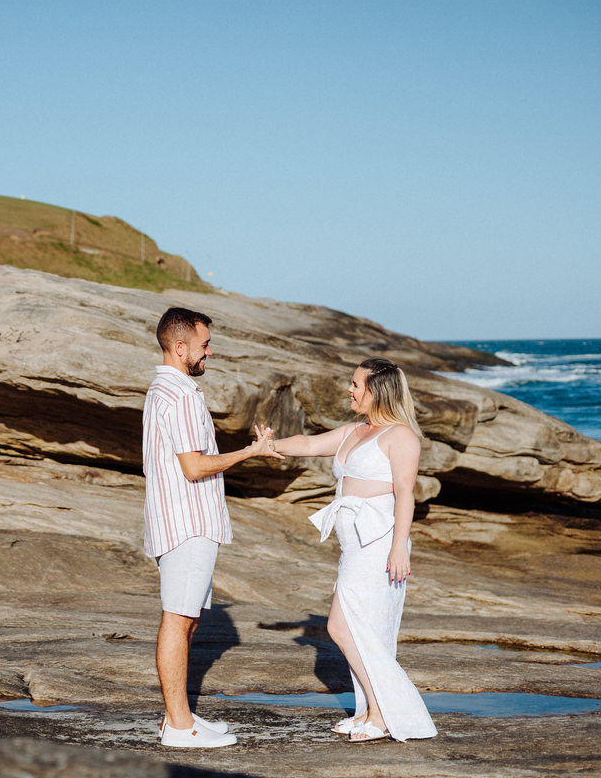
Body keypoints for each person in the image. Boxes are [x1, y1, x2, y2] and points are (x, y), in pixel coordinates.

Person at [261, 357, 437, 743]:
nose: (350, 389)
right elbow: (308, 443)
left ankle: (381, 713)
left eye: (356, 384)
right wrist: (268, 447)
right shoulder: (355, 430)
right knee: (357, 629)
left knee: (341, 627)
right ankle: (373, 712)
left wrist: (399, 549)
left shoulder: (401, 437)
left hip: (379, 545)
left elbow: (406, 493)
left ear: (377, 391)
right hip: (353, 547)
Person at [143, 307, 280, 748]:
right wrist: (250, 453)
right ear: (179, 348)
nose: (209, 351)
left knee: (187, 620)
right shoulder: (180, 395)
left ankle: (176, 717)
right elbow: (195, 467)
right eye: (204, 345)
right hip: (187, 524)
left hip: (183, 520)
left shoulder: (165, 389)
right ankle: (179, 728)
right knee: (177, 620)